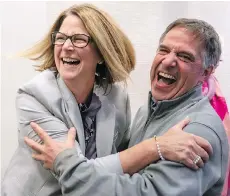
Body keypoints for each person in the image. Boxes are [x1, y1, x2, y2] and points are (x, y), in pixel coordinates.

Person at [1, 5, 212, 196]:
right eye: (61, 37)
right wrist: (156, 146)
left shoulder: (117, 97)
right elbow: (75, 172)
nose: (66, 46)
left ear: (101, 53)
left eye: (79, 39)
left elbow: (118, 164)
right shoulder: (34, 97)